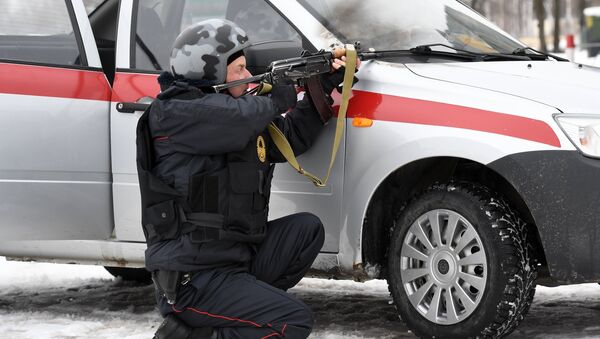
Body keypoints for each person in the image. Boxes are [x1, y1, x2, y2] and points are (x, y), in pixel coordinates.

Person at [136, 19, 359, 339]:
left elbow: (291, 137)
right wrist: (278, 93)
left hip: (234, 259)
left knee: (306, 230)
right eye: (238, 69)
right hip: (193, 279)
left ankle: (230, 314)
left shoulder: (235, 116)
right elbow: (238, 117)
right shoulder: (173, 115)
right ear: (208, 71)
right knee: (293, 321)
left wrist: (322, 86)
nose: (246, 75)